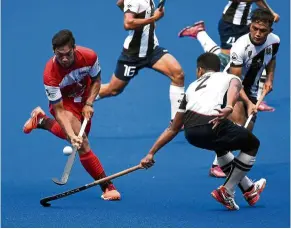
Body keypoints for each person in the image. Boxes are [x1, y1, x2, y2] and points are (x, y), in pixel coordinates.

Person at [139, 53, 266, 210]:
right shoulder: (227, 76)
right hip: (213, 125)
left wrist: (151, 153)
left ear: (199, 70)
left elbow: (173, 128)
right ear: (218, 69)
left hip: (192, 134)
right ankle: (227, 190)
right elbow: (234, 87)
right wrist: (229, 106)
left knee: (221, 147)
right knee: (252, 144)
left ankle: (249, 190)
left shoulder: (191, 88)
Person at [178, 4, 280, 177]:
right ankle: (217, 165)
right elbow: (236, 81)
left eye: (263, 30)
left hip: (252, 89)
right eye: (255, 28)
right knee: (240, 129)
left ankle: (225, 163)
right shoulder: (240, 47)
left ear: (270, 30)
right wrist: (248, 103)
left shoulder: (274, 41)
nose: (257, 33)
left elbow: (271, 58)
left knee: (246, 131)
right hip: (233, 87)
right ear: (250, 26)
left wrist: (269, 78)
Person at [23, 29, 121, 201]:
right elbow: (59, 110)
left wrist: (89, 102)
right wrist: (70, 134)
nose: (65, 59)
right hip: (64, 103)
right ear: (54, 51)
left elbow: (97, 81)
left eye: (68, 54)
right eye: (60, 55)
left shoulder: (89, 56)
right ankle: (108, 187)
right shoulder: (50, 74)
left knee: (80, 136)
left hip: (83, 97)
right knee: (81, 142)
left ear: (74, 48)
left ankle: (42, 121)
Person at [95, 0, 185, 124]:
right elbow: (128, 23)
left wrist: (149, 18)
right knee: (113, 90)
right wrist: (153, 18)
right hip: (132, 55)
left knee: (178, 74)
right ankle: (82, 99)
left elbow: (120, 3)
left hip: (152, 50)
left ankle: (176, 121)